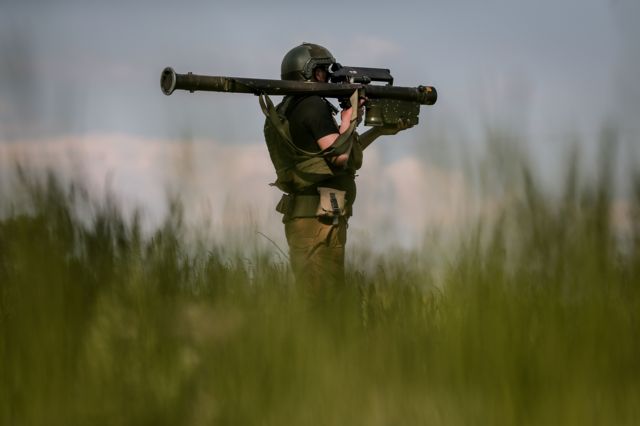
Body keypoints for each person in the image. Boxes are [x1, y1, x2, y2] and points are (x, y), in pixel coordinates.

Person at [263, 42, 410, 295]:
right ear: (307, 72)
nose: (327, 77)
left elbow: (331, 153)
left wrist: (378, 130)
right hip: (318, 221)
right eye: (322, 71)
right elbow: (339, 157)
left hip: (311, 217)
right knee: (324, 302)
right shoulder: (312, 105)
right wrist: (349, 118)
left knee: (316, 297)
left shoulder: (288, 109)